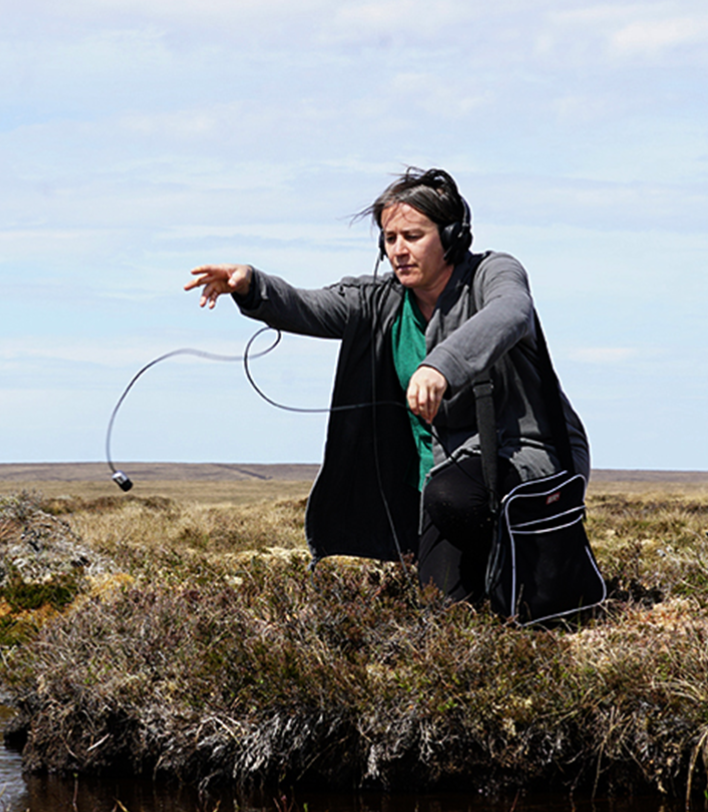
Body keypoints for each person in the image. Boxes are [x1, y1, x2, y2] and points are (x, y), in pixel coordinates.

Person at [185, 167, 590, 605]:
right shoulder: (383, 301)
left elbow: (512, 312)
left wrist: (442, 366)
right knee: (442, 609)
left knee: (457, 499)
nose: (399, 250)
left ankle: (537, 570)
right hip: (444, 476)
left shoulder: (493, 273)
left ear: (452, 235)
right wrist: (252, 285)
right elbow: (310, 305)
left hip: (528, 451)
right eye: (390, 238)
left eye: (412, 236)